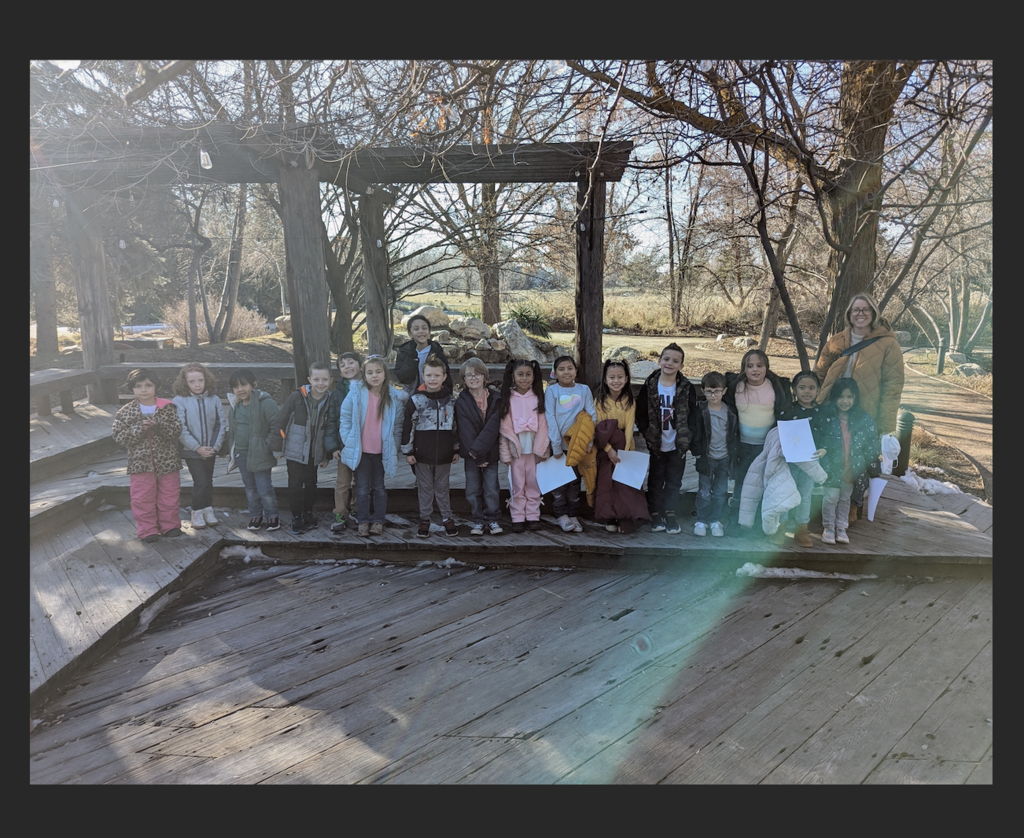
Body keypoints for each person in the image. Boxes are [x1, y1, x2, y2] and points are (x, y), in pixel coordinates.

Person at [815, 292, 904, 521]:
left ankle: (854, 505)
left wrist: (886, 424)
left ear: (873, 313)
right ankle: (825, 503)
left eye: (865, 310)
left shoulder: (887, 344)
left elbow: (892, 386)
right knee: (833, 454)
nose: (860, 314)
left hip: (864, 410)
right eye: (856, 310)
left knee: (859, 459)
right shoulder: (836, 341)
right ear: (849, 314)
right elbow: (820, 373)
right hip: (833, 408)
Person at [339, 355, 409, 537]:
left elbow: (398, 425)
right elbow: (345, 417)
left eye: (378, 372)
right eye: (370, 372)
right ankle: (363, 520)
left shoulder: (393, 398)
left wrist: (394, 445)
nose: (374, 376)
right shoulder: (355, 393)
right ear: (364, 375)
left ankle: (378, 520)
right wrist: (348, 439)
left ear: (385, 374)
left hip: (381, 450)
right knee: (362, 488)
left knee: (379, 487)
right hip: (361, 450)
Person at [111, 368, 183, 543]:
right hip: (140, 464)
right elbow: (119, 436)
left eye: (148, 385)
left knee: (170, 494)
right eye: (138, 386)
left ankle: (170, 525)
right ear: (132, 389)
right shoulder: (126, 411)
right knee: (142, 497)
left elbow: (176, 431)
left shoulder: (168, 407)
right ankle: (147, 529)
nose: (144, 390)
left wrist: (158, 425)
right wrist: (139, 429)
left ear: (155, 386)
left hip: (168, 461)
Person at [724, 348, 791, 534]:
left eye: (759, 365)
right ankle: (738, 521)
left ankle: (762, 525)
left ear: (766, 367)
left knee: (764, 484)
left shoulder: (776, 387)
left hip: (767, 447)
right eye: (750, 366)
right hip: (743, 445)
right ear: (743, 368)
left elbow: (784, 414)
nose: (755, 369)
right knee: (742, 483)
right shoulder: (735, 387)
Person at [636, 342, 697, 535]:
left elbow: (693, 415)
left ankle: (670, 513)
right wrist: (647, 432)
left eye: (675, 361)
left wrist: (688, 438)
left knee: (673, 481)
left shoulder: (687, 388)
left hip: (677, 444)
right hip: (656, 443)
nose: (670, 363)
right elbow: (641, 412)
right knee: (655, 479)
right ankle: (654, 512)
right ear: (659, 361)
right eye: (666, 359)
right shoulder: (650, 385)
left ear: (681, 365)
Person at [402, 354, 460, 538]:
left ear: (444, 377)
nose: (432, 379)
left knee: (443, 487)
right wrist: (408, 450)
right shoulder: (416, 400)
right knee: (425, 488)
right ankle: (425, 518)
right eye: (429, 375)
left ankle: (446, 518)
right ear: (423, 376)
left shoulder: (450, 401)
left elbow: (455, 427)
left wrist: (456, 448)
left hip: (444, 454)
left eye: (437, 375)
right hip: (421, 454)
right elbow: (408, 427)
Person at [272, 361, 333, 535]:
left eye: (324, 379)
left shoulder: (330, 400)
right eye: (316, 379)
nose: (320, 383)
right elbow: (281, 421)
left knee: (311, 484)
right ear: (309, 379)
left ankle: (308, 512)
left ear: (330, 380)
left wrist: (327, 455)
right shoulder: (297, 397)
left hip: (315, 452)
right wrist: (277, 447)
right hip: (295, 451)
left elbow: (330, 429)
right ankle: (296, 516)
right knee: (295, 485)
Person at [816, 377, 879, 546]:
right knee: (830, 498)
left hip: (852, 467)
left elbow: (871, 442)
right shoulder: (826, 416)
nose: (845, 401)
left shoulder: (863, 419)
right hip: (831, 466)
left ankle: (841, 526)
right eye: (841, 396)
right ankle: (828, 526)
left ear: (855, 398)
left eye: (849, 397)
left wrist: (872, 464)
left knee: (845, 498)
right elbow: (818, 437)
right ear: (834, 397)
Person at [592, 358, 650, 534]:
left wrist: (626, 453)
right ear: (605, 379)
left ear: (626, 379)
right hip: (607, 448)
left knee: (625, 486)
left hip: (624, 449)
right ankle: (610, 517)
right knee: (607, 484)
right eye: (611, 377)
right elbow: (599, 428)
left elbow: (629, 427)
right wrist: (609, 450)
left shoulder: (630, 402)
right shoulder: (600, 402)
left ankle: (625, 518)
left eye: (620, 377)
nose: (616, 381)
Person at [545, 355, 597, 533]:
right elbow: (550, 417)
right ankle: (561, 514)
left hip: (578, 445)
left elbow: (591, 415)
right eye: (561, 369)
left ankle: (573, 514)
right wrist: (556, 445)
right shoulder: (552, 391)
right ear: (555, 373)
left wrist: (588, 441)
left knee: (575, 483)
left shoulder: (584, 390)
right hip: (559, 447)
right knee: (559, 484)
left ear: (575, 370)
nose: (566, 372)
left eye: (569, 368)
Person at [172, 362, 227, 530]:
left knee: (208, 481)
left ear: (206, 380)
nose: (197, 385)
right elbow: (180, 428)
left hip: (210, 449)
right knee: (200, 481)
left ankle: (207, 509)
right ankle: (196, 511)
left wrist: (214, 447)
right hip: (191, 451)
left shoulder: (214, 399)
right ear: (185, 382)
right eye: (192, 382)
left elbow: (221, 424)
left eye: (200, 381)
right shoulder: (180, 401)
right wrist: (197, 447)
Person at [776, 370, 828, 547]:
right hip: (789, 462)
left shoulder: (822, 413)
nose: (807, 391)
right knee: (784, 493)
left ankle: (801, 529)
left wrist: (824, 449)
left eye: (812, 388)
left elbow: (827, 435)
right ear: (794, 389)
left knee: (805, 495)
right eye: (802, 387)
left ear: (818, 390)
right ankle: (780, 528)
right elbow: (779, 434)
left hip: (811, 461)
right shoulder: (787, 411)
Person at [225, 369, 281, 531]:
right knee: (249, 488)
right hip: (241, 453)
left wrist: (267, 445)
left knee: (264, 488)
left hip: (260, 453)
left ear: (254, 385)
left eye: (244, 384)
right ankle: (255, 515)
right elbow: (234, 430)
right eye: (235, 387)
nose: (240, 389)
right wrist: (229, 450)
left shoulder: (266, 403)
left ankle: (272, 516)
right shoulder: (236, 406)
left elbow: (276, 426)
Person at [498, 359, 550, 532]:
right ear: (512, 376)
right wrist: (505, 453)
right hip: (516, 450)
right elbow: (504, 429)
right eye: (520, 374)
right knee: (517, 483)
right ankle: (518, 516)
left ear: (534, 376)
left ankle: (533, 515)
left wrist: (543, 448)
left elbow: (543, 425)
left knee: (534, 482)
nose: (524, 378)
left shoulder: (538, 397)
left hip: (534, 448)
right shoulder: (508, 398)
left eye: (528, 374)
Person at [455, 358, 503, 536]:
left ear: (485, 376)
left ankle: (492, 519)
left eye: (477, 374)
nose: (473, 378)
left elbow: (492, 429)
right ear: (463, 379)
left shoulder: (496, 399)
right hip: (471, 454)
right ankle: (477, 520)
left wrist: (484, 454)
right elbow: (465, 431)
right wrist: (476, 454)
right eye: (468, 375)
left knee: (491, 488)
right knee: (473, 489)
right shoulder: (461, 402)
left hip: (490, 453)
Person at [690, 371, 738, 539]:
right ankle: (701, 520)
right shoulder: (701, 410)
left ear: (724, 391)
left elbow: (734, 434)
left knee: (720, 491)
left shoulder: (730, 412)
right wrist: (696, 452)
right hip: (706, 458)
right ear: (703, 391)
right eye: (709, 391)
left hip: (724, 458)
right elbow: (694, 432)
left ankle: (715, 520)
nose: (713, 395)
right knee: (704, 491)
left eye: (717, 391)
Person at [324, 351, 363, 533]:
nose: (347, 367)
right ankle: (340, 513)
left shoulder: (369, 388)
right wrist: (333, 447)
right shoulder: (337, 394)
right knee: (342, 482)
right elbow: (331, 421)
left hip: (364, 445)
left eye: (351, 362)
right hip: (344, 446)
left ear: (360, 366)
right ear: (340, 373)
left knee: (360, 481)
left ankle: (356, 510)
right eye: (343, 365)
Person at [394, 314, 452, 391]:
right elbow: (402, 378)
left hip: (434, 394)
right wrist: (411, 359)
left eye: (424, 328)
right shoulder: (404, 353)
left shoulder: (437, 353)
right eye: (416, 329)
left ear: (429, 333)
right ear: (410, 334)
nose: (421, 331)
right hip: (411, 395)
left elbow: (447, 378)